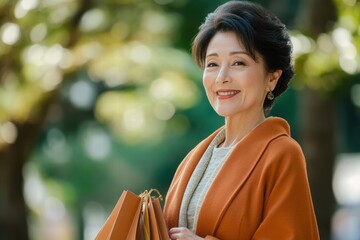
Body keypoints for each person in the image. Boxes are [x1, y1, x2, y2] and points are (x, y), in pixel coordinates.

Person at [163, 1, 320, 239]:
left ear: (272, 78)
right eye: (212, 64)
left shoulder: (282, 154)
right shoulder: (194, 159)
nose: (222, 77)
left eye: (239, 63)